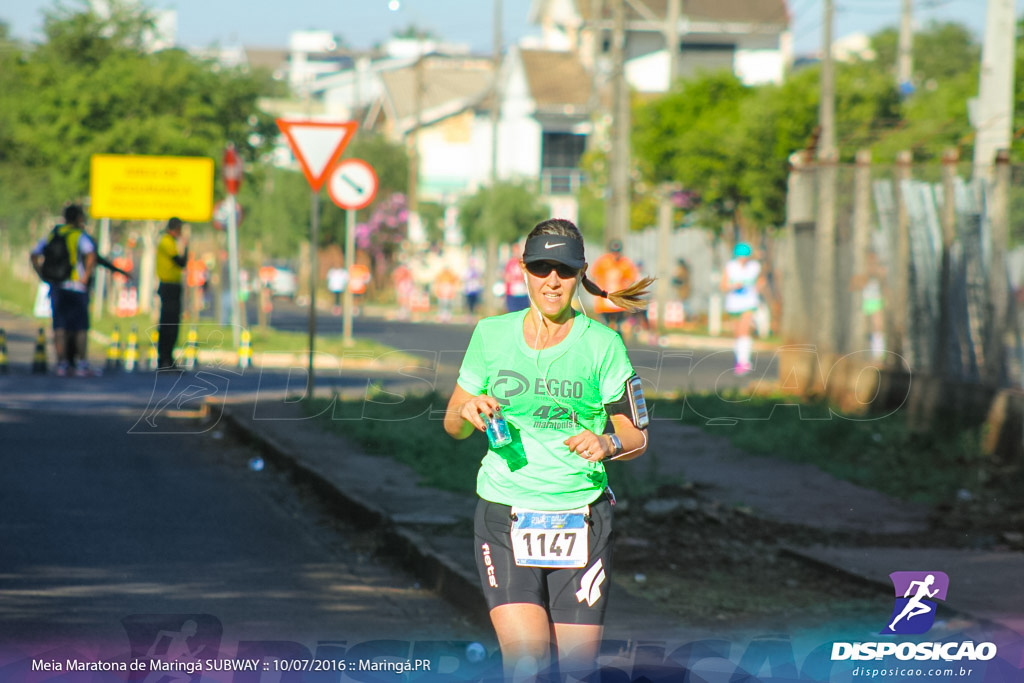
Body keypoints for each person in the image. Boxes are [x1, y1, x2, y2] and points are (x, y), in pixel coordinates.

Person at [444, 218, 654, 681]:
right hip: (505, 512)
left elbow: (637, 435)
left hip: (581, 517)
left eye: (562, 269)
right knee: (526, 663)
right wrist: (470, 411)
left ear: (580, 273)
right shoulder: (490, 334)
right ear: (523, 270)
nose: (551, 281)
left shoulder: (603, 345)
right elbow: (452, 423)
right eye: (541, 268)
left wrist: (607, 442)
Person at [29, 204, 98, 376]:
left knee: (59, 325)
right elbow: (91, 254)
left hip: (56, 286)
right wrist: (85, 276)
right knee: (80, 327)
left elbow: (34, 254)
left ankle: (62, 364)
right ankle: (82, 364)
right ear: (79, 218)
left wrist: (42, 274)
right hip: (76, 286)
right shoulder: (78, 235)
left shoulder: (53, 234)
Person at [720, 241, 763, 375]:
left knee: (744, 330)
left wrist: (758, 287)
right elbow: (723, 286)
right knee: (737, 332)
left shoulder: (755, 267)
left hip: (749, 302)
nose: (743, 259)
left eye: (745, 256)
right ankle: (740, 359)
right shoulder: (731, 267)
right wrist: (733, 286)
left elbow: (761, 281)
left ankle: (744, 361)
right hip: (734, 303)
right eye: (741, 256)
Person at [156, 217, 188, 370]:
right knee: (169, 324)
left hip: (173, 286)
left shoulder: (169, 242)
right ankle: (164, 358)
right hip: (168, 286)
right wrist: (186, 247)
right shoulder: (167, 242)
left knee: (173, 323)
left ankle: (168, 357)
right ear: (176, 228)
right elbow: (181, 262)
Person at [589, 239, 639, 334]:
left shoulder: (625, 263)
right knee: (604, 328)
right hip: (604, 300)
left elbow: (632, 279)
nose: (615, 255)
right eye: (613, 252)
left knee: (619, 328)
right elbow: (593, 275)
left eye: (617, 252)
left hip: (619, 302)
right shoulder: (602, 262)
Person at [503, 243, 530, 313]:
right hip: (513, 294)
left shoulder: (523, 263)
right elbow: (507, 277)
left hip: (523, 293)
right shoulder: (510, 263)